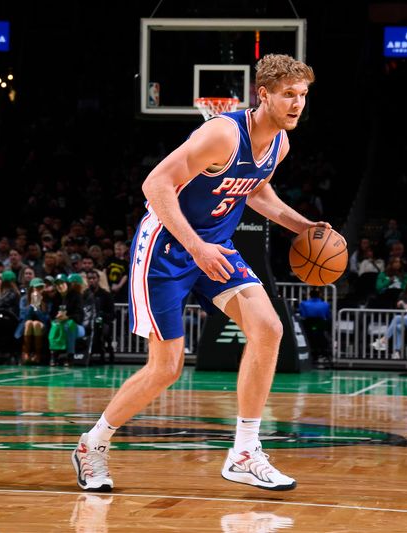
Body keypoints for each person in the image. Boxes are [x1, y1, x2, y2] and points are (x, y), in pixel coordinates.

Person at [72, 54, 321, 493]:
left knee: (268, 329)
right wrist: (196, 246)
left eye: (302, 95)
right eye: (288, 95)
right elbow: (155, 185)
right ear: (263, 94)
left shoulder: (279, 144)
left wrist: (303, 227)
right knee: (167, 367)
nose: (297, 103)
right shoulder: (223, 133)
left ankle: (245, 452)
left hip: (215, 249)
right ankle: (93, 444)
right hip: (168, 248)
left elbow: (256, 191)